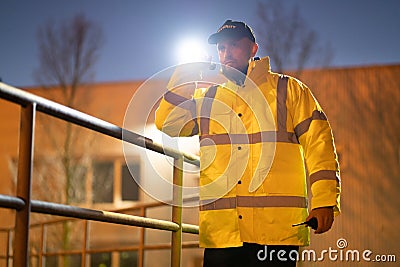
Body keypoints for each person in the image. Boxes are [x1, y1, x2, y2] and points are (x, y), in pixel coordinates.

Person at [155, 20, 341, 267]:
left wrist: (324, 201)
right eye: (221, 48)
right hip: (223, 235)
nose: (226, 53)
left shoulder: (289, 90)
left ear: (253, 49)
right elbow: (168, 123)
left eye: (233, 45)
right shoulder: (209, 98)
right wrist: (186, 75)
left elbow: (320, 145)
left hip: (277, 233)